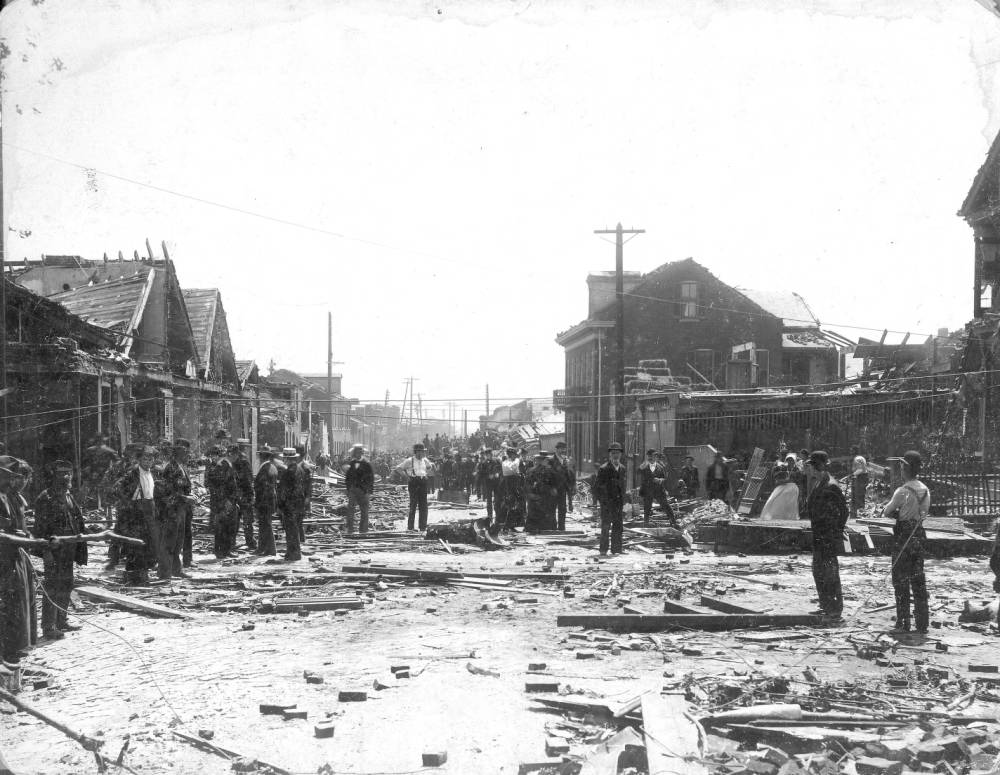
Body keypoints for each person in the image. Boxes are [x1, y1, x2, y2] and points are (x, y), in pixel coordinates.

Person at [33, 460, 87, 639]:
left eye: (69, 473)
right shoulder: (45, 498)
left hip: (69, 549)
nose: (66, 477)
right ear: (54, 476)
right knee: (53, 586)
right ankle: (49, 627)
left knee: (67, 583)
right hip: (54, 550)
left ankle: (61, 620)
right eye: (62, 473)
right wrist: (46, 551)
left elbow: (77, 521)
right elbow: (40, 530)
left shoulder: (69, 496)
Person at [882, 450, 930, 633]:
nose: (900, 468)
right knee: (918, 580)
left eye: (902, 465)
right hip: (919, 534)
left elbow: (887, 512)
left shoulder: (902, 491)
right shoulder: (926, 489)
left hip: (903, 537)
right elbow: (923, 513)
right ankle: (922, 623)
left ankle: (903, 621)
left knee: (900, 580)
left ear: (906, 468)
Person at [0, 457, 38, 658]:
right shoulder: (4, 497)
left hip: (19, 553)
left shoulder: (15, 498)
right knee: (13, 601)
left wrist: (26, 536)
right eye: (14, 477)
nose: (18, 482)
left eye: (22, 478)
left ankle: (21, 643)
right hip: (6, 556)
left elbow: (19, 525)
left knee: (24, 599)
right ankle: (10, 648)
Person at [804, 451, 848, 618]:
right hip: (819, 535)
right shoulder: (819, 483)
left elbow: (844, 511)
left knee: (829, 572)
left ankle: (835, 608)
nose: (811, 469)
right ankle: (825, 605)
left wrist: (837, 531)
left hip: (827, 537)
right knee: (819, 571)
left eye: (813, 465)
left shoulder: (831, 485)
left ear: (820, 466)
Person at [116, 446, 159, 585]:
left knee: (149, 543)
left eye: (150, 459)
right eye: (145, 459)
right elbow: (119, 489)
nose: (148, 462)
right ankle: (132, 577)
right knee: (134, 544)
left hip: (149, 509)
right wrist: (129, 503)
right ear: (140, 459)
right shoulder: (132, 474)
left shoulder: (152, 473)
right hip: (135, 512)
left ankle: (143, 575)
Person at [156, 440, 193, 578]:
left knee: (178, 542)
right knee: (169, 542)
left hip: (181, 509)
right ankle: (164, 572)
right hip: (172, 509)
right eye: (185, 453)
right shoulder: (171, 468)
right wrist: (185, 498)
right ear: (178, 454)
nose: (187, 455)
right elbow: (169, 491)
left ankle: (176, 570)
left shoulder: (181, 466)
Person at [594, 443, 628, 556]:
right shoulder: (604, 469)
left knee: (618, 527)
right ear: (610, 454)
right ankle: (603, 550)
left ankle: (616, 549)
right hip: (607, 504)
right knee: (606, 527)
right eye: (613, 453)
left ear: (621, 454)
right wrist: (603, 502)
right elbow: (597, 488)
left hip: (618, 504)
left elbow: (623, 487)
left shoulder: (622, 468)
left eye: (617, 453)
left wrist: (624, 502)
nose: (615, 455)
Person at [277, 447, 310, 560]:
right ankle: (293, 552)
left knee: (291, 530)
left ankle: (293, 553)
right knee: (294, 529)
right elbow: (305, 487)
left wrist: (280, 505)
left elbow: (283, 491)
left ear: (287, 459)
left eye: (285, 458)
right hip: (299, 504)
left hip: (290, 505)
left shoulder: (287, 472)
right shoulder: (300, 470)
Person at [395, 443, 434, 531]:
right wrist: (406, 476)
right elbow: (398, 468)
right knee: (413, 505)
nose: (421, 454)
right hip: (414, 483)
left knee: (423, 505)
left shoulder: (425, 460)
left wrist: (425, 474)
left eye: (422, 452)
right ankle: (410, 527)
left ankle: (423, 526)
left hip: (423, 482)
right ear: (415, 452)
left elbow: (430, 467)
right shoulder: (409, 460)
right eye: (419, 452)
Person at [211, 446, 240, 559]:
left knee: (228, 527)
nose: (237, 457)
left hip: (229, 501)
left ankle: (226, 550)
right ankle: (221, 551)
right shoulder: (223, 465)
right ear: (232, 454)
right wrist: (226, 501)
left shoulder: (227, 464)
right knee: (223, 527)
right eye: (236, 455)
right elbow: (220, 485)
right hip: (225, 502)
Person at [638, 448, 677, 526]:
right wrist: (641, 467)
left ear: (655, 457)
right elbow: (638, 472)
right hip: (648, 490)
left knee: (665, 505)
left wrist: (660, 480)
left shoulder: (660, 467)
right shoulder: (644, 465)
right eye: (649, 456)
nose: (650, 458)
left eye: (652, 456)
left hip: (658, 490)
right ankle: (646, 523)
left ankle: (673, 521)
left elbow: (665, 478)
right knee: (647, 507)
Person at [342, 444, 374, 534]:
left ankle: (363, 530)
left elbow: (371, 478)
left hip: (363, 491)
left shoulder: (367, 464)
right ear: (354, 453)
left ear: (362, 453)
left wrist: (369, 491)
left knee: (364, 511)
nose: (357, 454)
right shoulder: (352, 463)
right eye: (356, 452)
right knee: (350, 510)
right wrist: (348, 489)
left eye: (359, 452)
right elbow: (348, 477)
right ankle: (350, 529)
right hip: (353, 490)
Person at [253, 447, 280, 556]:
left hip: (264, 501)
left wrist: (257, 503)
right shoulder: (272, 467)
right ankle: (263, 548)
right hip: (270, 501)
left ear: (262, 457)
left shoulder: (264, 469)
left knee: (265, 525)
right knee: (264, 525)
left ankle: (270, 549)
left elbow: (262, 488)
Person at [524, 453, 558, 534]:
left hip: (540, 497)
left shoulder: (532, 470)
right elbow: (554, 485)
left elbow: (554, 485)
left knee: (538, 515)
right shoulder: (547, 470)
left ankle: (536, 529)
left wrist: (530, 494)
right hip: (542, 497)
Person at [233, 439, 256, 551]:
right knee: (247, 520)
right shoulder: (243, 460)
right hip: (245, 494)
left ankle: (233, 541)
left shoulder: (237, 460)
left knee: (237, 519)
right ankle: (250, 541)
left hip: (239, 494)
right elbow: (247, 479)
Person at [550, 442, 576, 531]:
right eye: (561, 448)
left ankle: (561, 527)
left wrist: (572, 486)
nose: (563, 451)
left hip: (563, 488)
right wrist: (552, 487)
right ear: (556, 449)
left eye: (564, 449)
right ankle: (553, 527)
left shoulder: (566, 460)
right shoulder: (551, 460)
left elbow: (571, 474)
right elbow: (549, 475)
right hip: (554, 488)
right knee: (552, 507)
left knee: (562, 508)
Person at [499, 446, 525, 530]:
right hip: (509, 486)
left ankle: (516, 524)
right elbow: (511, 470)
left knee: (518, 505)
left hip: (517, 486)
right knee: (510, 505)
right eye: (514, 454)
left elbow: (519, 471)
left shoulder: (515, 462)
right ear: (510, 455)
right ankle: (507, 525)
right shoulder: (505, 462)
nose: (515, 456)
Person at [474, 448, 502, 527]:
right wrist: (488, 476)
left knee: (497, 500)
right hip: (488, 483)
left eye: (489, 454)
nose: (488, 456)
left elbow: (501, 469)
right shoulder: (483, 463)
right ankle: (490, 516)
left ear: (491, 454)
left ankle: (498, 517)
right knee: (489, 501)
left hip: (496, 483)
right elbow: (481, 474)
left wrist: (497, 474)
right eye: (487, 455)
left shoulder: (497, 461)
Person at [850, 449, 869, 519]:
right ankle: (860, 510)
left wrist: (853, 474)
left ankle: (859, 512)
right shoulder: (860, 458)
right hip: (863, 476)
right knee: (861, 493)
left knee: (858, 493)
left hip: (860, 477)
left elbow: (860, 470)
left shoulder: (857, 459)